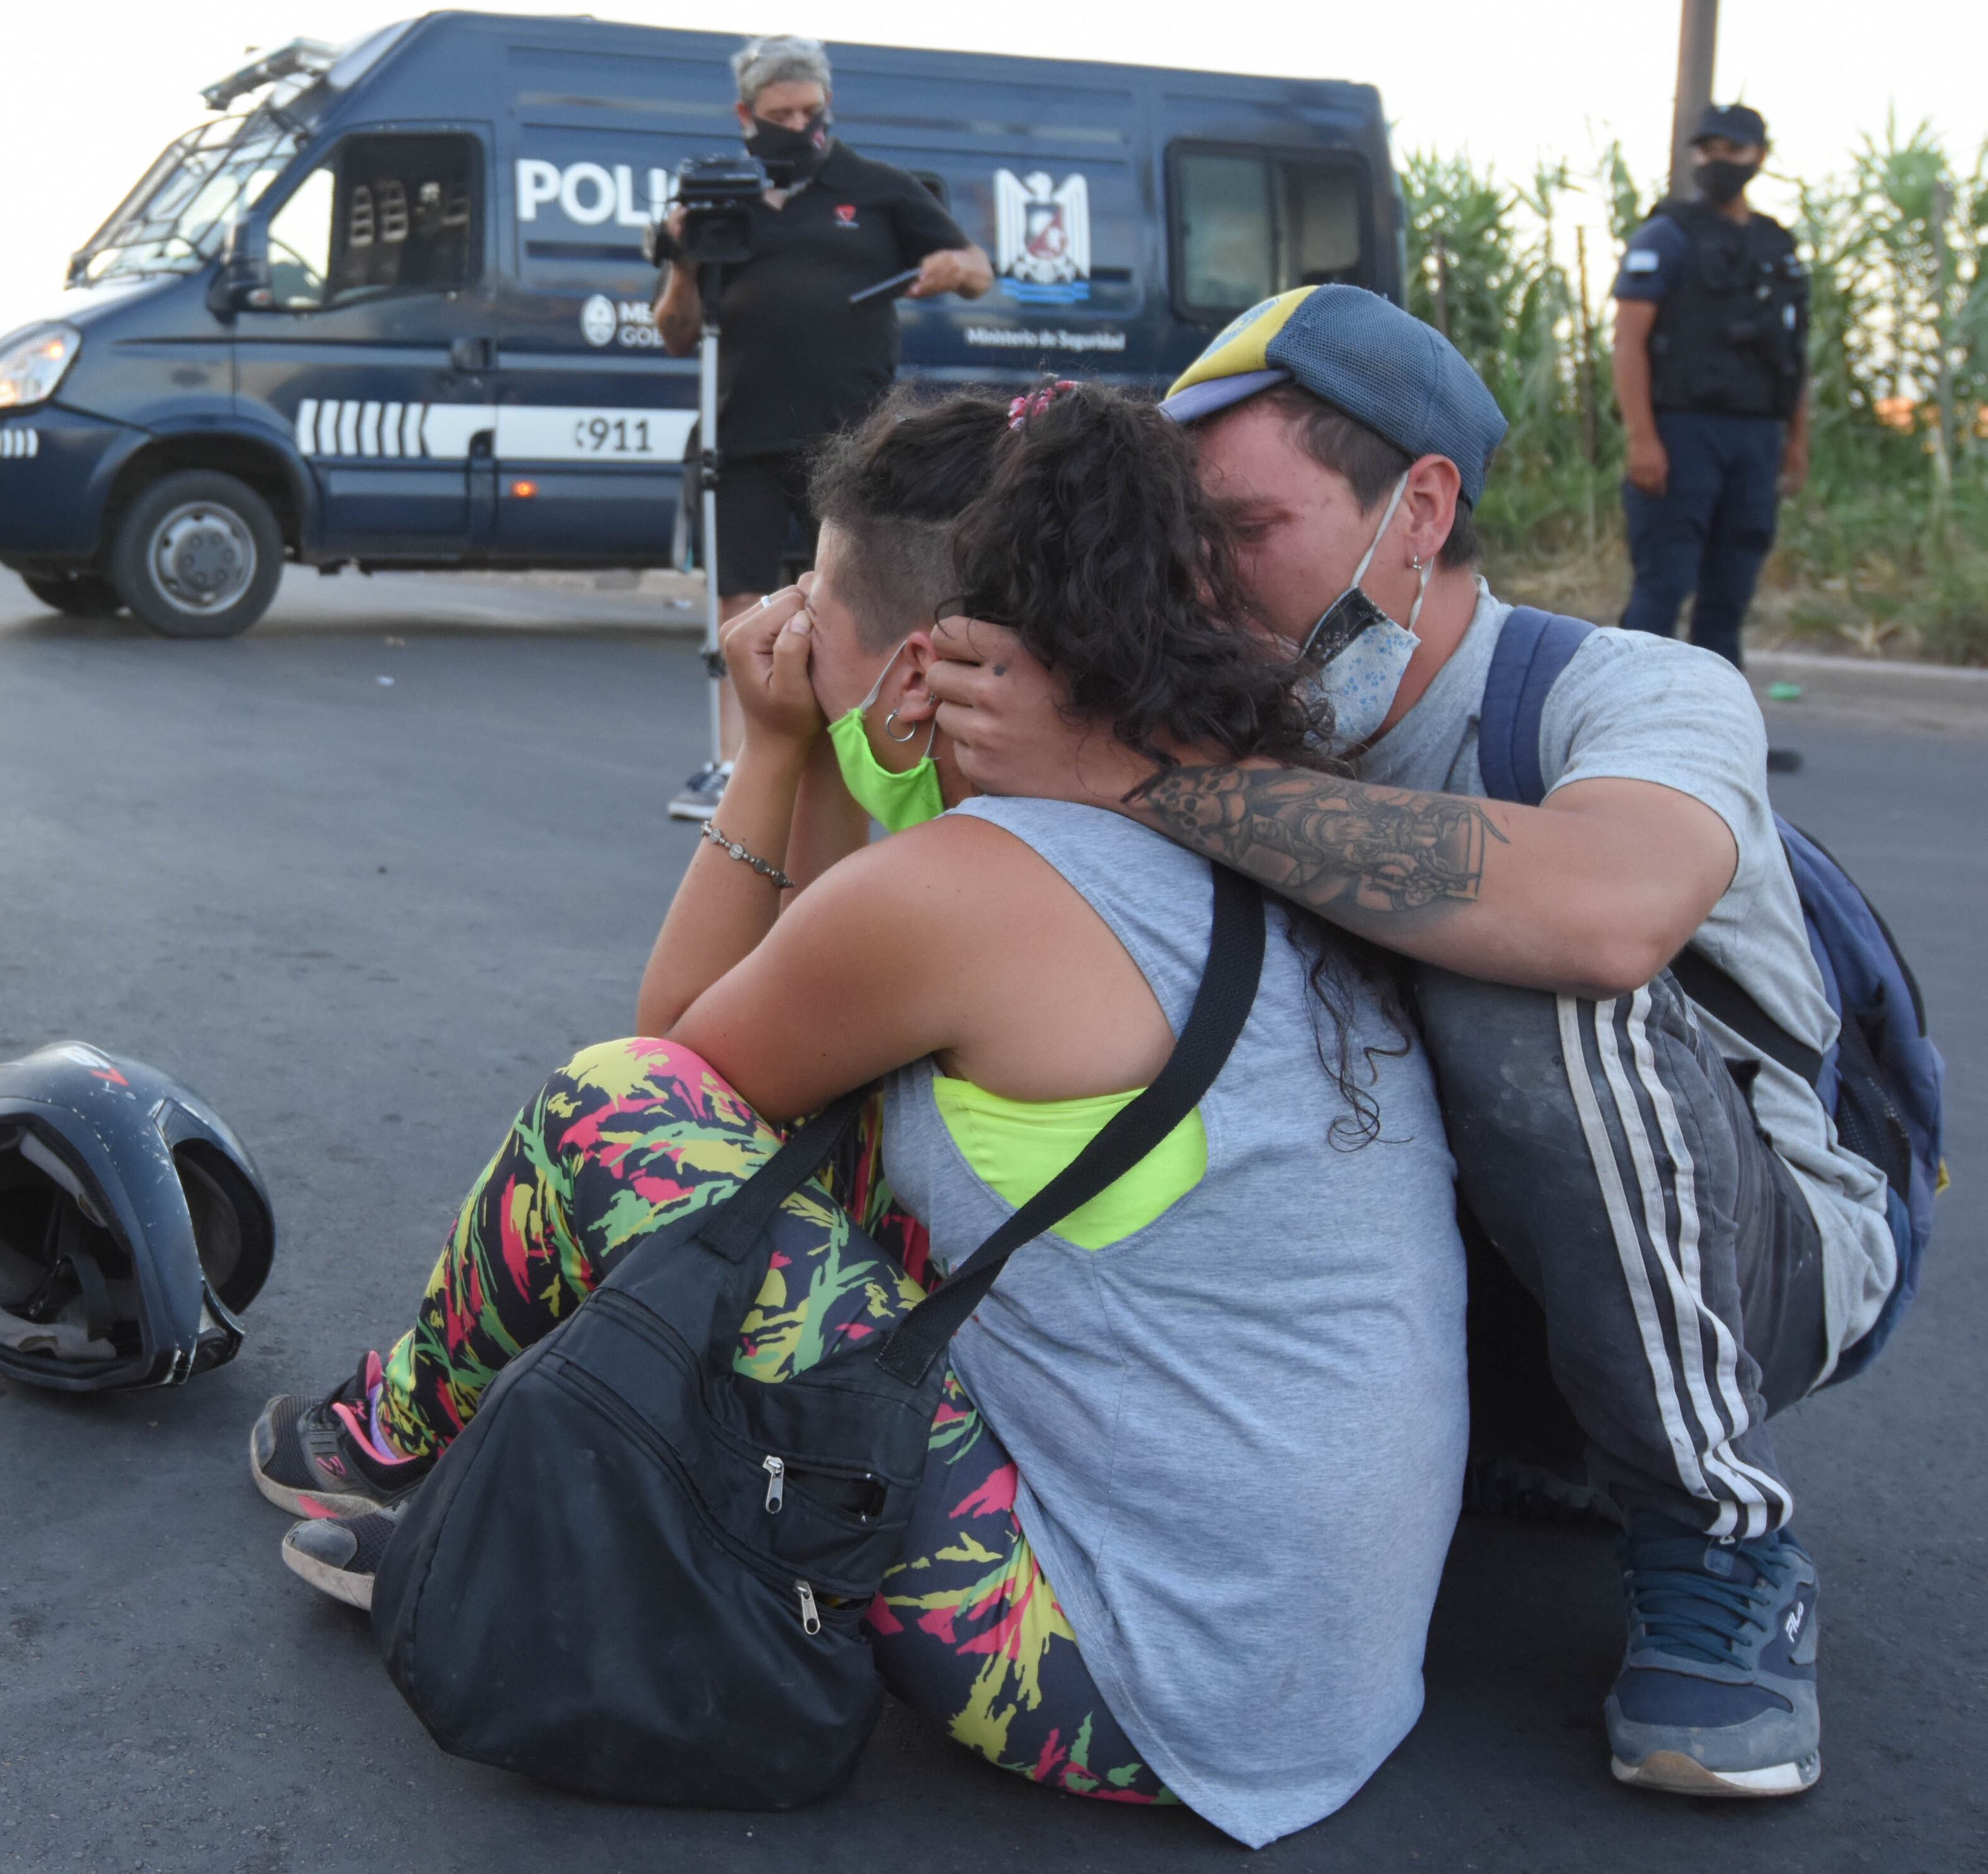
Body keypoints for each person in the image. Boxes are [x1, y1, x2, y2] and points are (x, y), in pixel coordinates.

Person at [254, 387, 1467, 1848]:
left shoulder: (968, 887)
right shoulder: (1218, 803)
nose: (783, 631)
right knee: (825, 1188)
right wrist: (839, 745)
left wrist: (773, 749)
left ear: (920, 657)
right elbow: (814, 1067)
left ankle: (380, 1439)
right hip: (1302, 1670)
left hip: (1121, 1681)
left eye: (811, 608)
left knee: (611, 1110)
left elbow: (671, 1088)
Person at [927, 285, 1875, 1799]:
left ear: (1418, 507)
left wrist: (1139, 783)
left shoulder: (1629, 690)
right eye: (1177, 539)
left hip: (1748, 1267)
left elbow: (1608, 910)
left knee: (1518, 961)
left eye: (1240, 530)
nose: (1195, 581)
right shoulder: (1212, 712)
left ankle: (1716, 1529)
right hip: (1455, 1295)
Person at [649, 33, 993, 820]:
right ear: (745, 115)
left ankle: (857, 757)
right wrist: (681, 258)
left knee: (846, 597)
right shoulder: (717, 203)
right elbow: (674, 332)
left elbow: (976, 268)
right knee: (740, 601)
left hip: (850, 441)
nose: (798, 125)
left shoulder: (872, 187)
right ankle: (736, 768)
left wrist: (953, 269)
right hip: (741, 434)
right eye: (779, 113)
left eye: (810, 110)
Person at [1612, 104, 1812, 668]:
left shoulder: (1779, 246)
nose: (1719, 161)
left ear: (1761, 156)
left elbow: (1794, 354)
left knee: (1729, 596)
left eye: (1733, 150)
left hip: (1757, 436)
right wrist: (1642, 439)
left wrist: (1797, 441)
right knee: (1663, 586)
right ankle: (1627, 722)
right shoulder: (1669, 234)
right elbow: (1628, 341)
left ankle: (1723, 735)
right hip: (1682, 432)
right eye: (1709, 149)